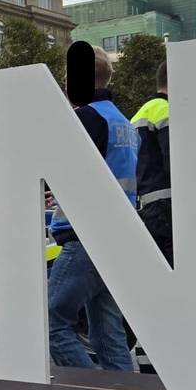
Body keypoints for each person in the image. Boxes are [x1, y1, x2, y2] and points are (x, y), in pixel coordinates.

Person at [46, 44, 138, 371]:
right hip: (119, 236)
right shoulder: (124, 122)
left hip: (85, 237)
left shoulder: (87, 117)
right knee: (107, 331)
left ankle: (91, 387)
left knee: (51, 322)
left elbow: (71, 170)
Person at [131, 61, 172, 265]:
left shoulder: (141, 113)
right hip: (168, 205)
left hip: (148, 204)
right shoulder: (167, 110)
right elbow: (174, 162)